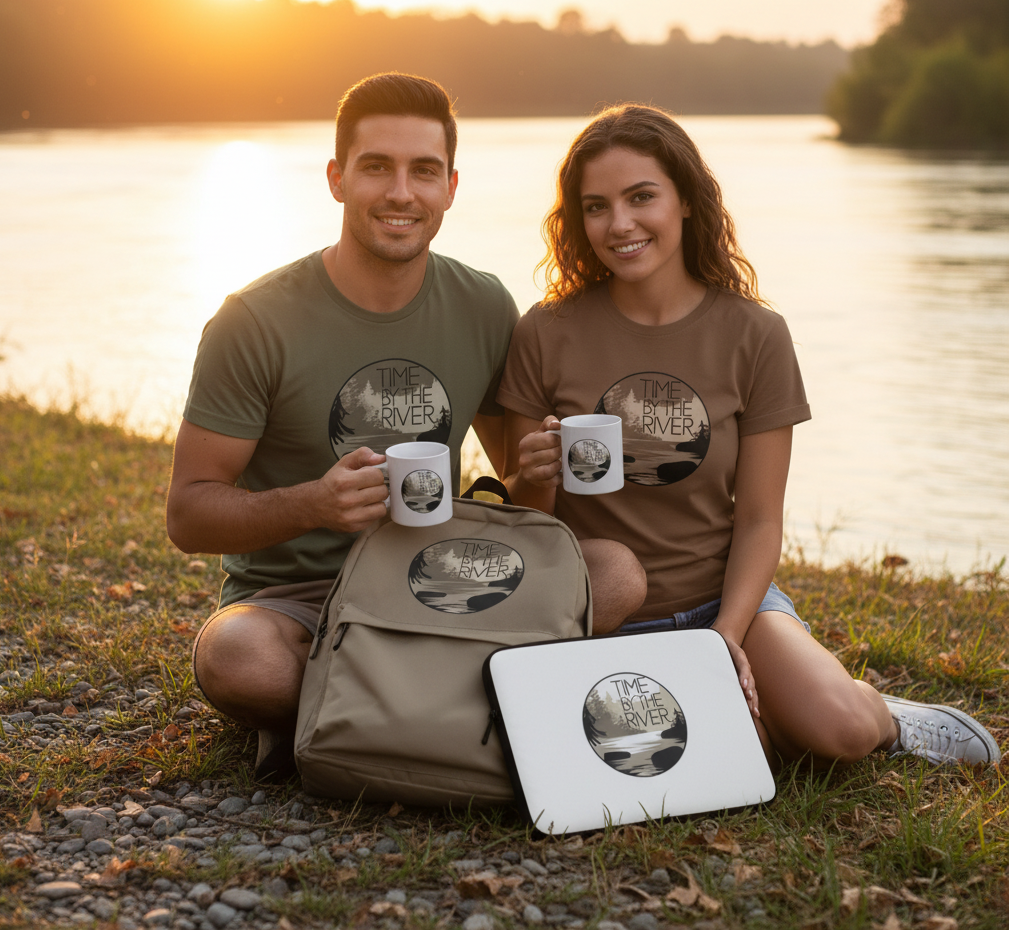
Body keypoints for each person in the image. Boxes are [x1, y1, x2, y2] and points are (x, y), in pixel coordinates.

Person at [166, 74, 643, 780]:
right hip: (297, 603)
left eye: (423, 171)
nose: (401, 193)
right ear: (337, 179)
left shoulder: (482, 304)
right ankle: (460, 710)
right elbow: (189, 514)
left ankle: (358, 716)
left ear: (450, 186)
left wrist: (532, 472)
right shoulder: (254, 321)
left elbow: (521, 502)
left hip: (440, 585)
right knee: (239, 660)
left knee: (616, 575)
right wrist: (312, 504)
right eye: (376, 168)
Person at [498, 103, 1000, 770]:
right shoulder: (545, 331)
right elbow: (530, 531)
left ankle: (890, 716)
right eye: (596, 206)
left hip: (725, 598)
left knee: (841, 731)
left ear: (684, 201)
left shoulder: (755, 335)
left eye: (641, 196)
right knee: (722, 754)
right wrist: (533, 475)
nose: (619, 224)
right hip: (601, 608)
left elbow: (761, 520)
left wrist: (725, 637)